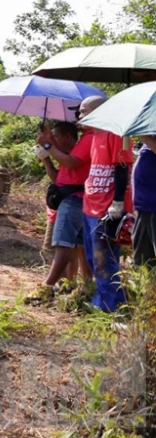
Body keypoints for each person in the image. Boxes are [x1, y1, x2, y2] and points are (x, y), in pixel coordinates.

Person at [78, 95, 134, 312]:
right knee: (93, 257)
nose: (80, 116)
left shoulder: (117, 134)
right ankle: (108, 300)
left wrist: (118, 202)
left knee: (105, 260)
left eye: (84, 111)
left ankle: (111, 307)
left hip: (106, 209)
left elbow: (121, 168)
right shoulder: (95, 135)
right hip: (90, 205)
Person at [29, 119, 92, 303]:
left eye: (56, 136)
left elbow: (71, 164)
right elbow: (59, 177)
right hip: (74, 199)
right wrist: (46, 155)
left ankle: (47, 287)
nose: (81, 116)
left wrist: (47, 144)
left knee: (63, 245)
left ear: (67, 136)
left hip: (75, 199)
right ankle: (85, 286)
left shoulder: (83, 144)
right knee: (79, 246)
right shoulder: (71, 150)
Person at [133, 135, 156, 269]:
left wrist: (142, 134)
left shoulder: (148, 137)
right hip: (144, 207)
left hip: (154, 206)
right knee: (143, 263)